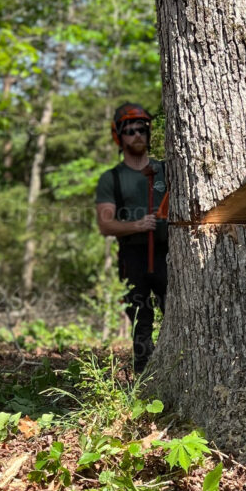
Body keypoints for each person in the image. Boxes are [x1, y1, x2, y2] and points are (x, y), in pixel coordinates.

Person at [95, 103, 168, 374]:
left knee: (177, 310)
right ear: (119, 136)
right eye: (130, 131)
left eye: (142, 129)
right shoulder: (112, 178)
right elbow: (105, 224)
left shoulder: (167, 170)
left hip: (169, 255)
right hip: (133, 258)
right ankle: (144, 377)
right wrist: (137, 225)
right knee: (140, 318)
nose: (137, 135)